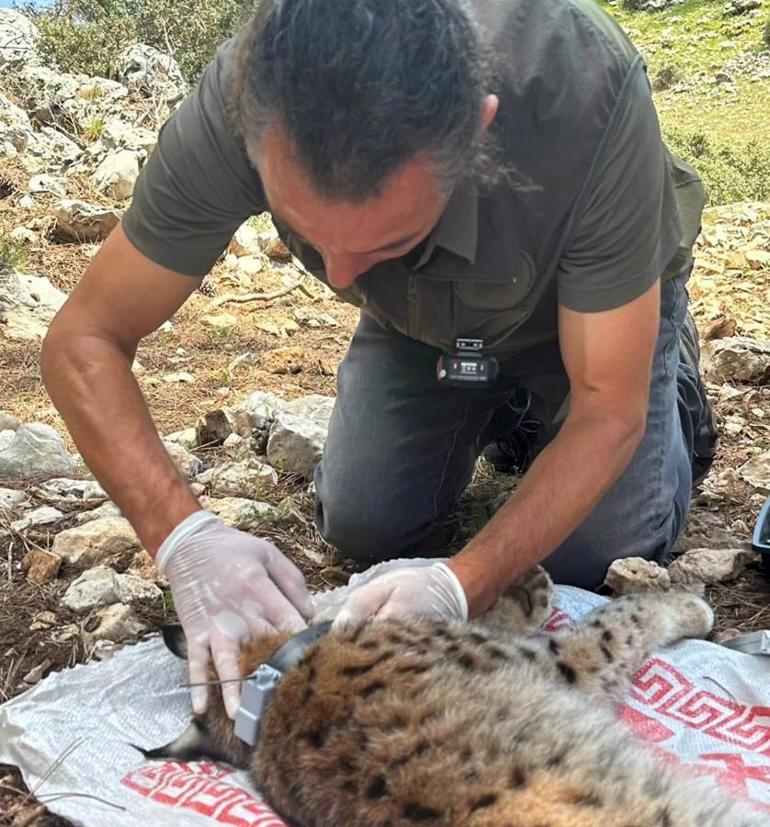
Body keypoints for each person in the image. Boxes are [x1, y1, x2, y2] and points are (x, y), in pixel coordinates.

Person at [41, 0, 717, 719]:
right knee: (365, 523)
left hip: (592, 309)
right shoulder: (247, 97)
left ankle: (668, 379)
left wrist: (466, 582)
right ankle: (507, 405)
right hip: (420, 316)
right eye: (309, 232)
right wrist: (182, 535)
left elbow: (607, 411)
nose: (336, 274)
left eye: (379, 240)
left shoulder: (586, 91)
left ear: (476, 131)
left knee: (594, 551)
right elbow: (83, 341)